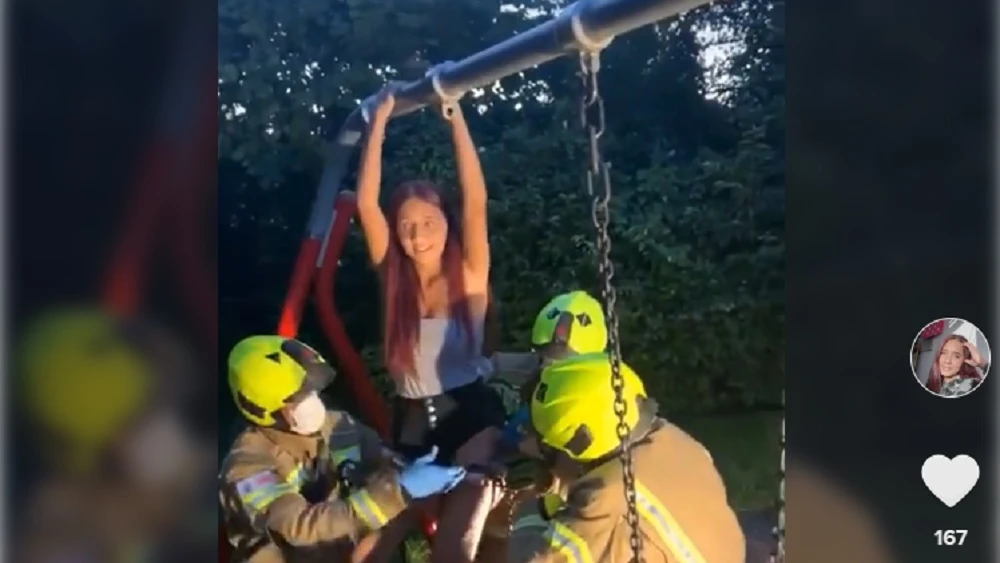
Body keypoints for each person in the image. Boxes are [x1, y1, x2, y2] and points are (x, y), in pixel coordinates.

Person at [356, 82, 507, 562]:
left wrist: (454, 114)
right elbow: (365, 205)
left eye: (429, 222)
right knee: (368, 550)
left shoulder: (470, 275)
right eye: (406, 225)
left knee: (452, 549)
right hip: (413, 424)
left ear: (446, 223)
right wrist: (377, 121)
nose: (418, 235)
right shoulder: (393, 280)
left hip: (470, 416)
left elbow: (476, 198)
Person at [218, 335, 467, 562]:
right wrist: (398, 490)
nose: (312, 403)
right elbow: (302, 529)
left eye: (311, 391)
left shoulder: (337, 425)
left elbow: (377, 454)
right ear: (265, 410)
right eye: (298, 397)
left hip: (341, 554)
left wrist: (408, 468)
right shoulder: (248, 469)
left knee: (402, 506)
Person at [506, 353, 746, 563]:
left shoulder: (605, 500)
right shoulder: (674, 440)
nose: (529, 449)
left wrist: (524, 504)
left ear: (581, 447)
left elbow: (534, 558)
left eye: (545, 449)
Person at [924, 334, 988, 398]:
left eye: (956, 356)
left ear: (964, 360)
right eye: (944, 353)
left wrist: (982, 362)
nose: (947, 361)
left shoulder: (973, 385)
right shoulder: (930, 386)